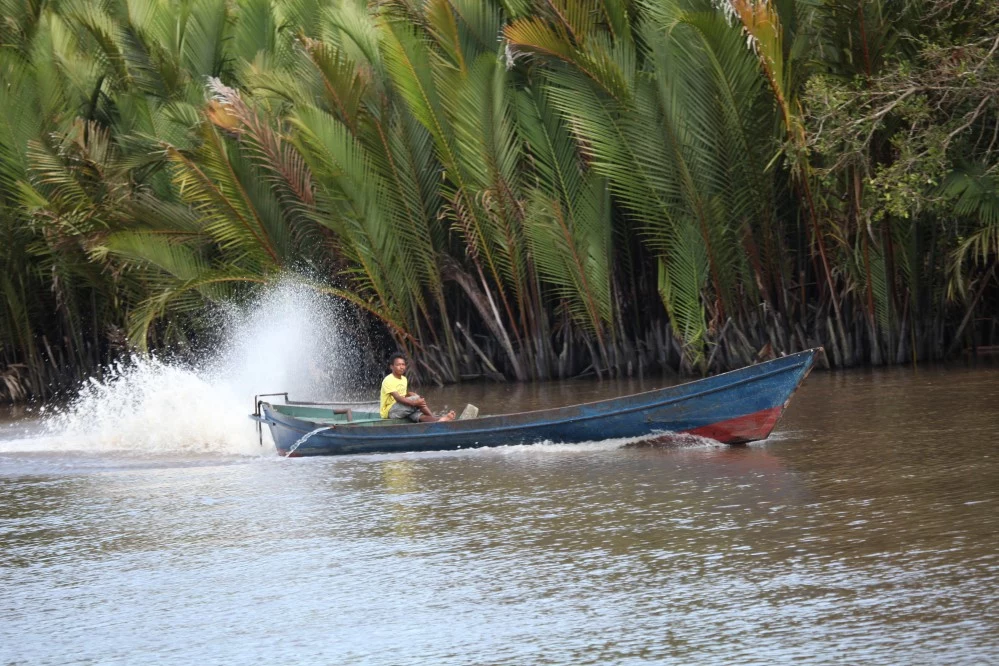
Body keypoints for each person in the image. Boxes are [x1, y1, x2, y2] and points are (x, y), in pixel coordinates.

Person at [380, 353, 455, 423]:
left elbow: (402, 395)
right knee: (416, 399)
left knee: (418, 415)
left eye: (403, 364)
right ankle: (434, 417)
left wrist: (409, 394)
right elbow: (397, 398)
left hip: (401, 409)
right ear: (391, 366)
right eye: (398, 365)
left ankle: (439, 420)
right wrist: (414, 402)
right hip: (390, 412)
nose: (401, 367)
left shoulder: (404, 379)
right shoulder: (388, 380)